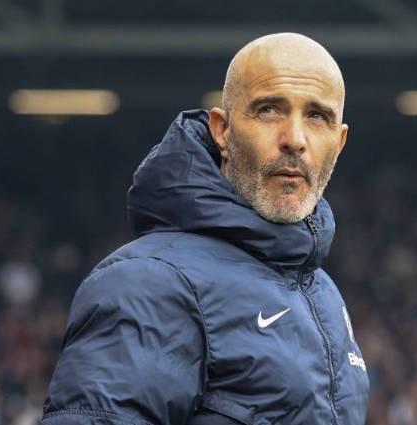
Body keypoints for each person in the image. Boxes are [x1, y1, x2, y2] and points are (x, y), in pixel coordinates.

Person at [42, 32, 370, 425]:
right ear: (222, 130)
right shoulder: (146, 284)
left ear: (340, 142)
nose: (295, 140)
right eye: (269, 110)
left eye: (317, 117)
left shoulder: (322, 292)